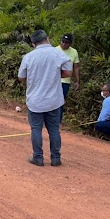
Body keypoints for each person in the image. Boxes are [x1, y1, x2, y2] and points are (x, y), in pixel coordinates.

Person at [18, 30, 72, 166]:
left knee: (36, 129)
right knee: (54, 130)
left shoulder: (29, 57)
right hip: (54, 100)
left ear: (33, 43)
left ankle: (38, 158)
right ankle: (55, 158)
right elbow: (67, 72)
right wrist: (54, 76)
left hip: (35, 101)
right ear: (47, 38)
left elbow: (21, 77)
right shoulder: (58, 53)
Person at [56, 33, 80, 122]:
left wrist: (77, 81)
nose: (64, 44)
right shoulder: (55, 50)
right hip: (55, 79)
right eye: (63, 41)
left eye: (66, 42)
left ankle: (58, 121)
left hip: (66, 81)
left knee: (61, 101)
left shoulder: (74, 52)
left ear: (70, 43)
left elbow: (76, 67)